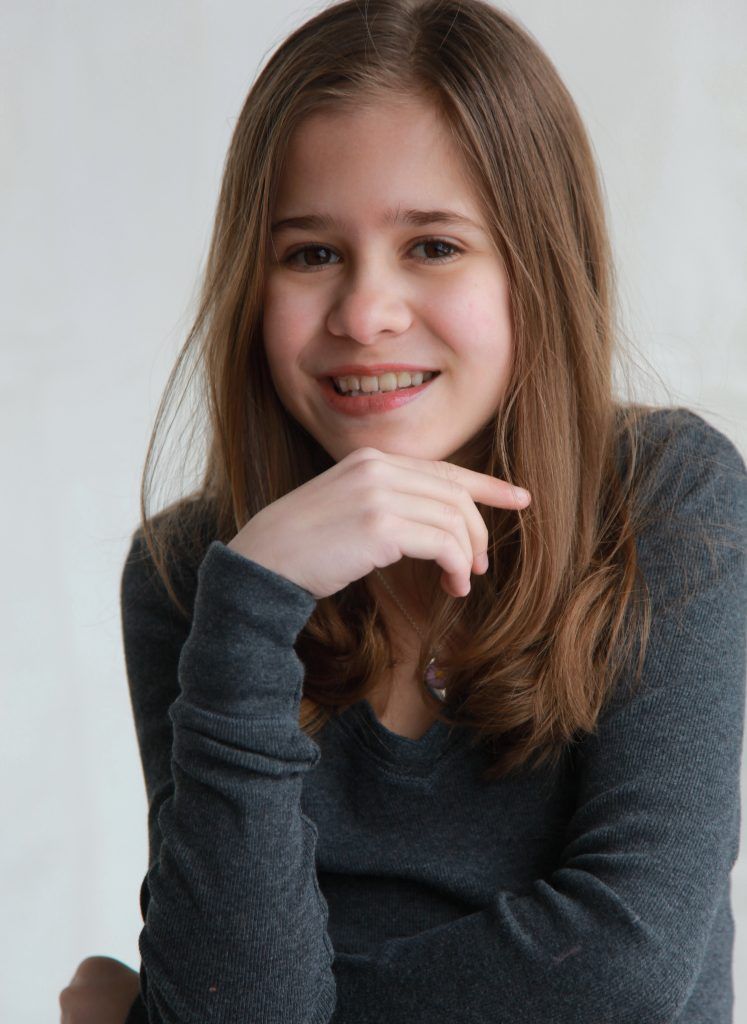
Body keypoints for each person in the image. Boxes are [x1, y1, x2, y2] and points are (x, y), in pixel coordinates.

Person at [59, 0, 747, 1021]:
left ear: (535, 270)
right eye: (310, 254)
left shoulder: (667, 500)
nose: (365, 314)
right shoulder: (196, 572)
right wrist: (253, 606)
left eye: (432, 246)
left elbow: (621, 973)